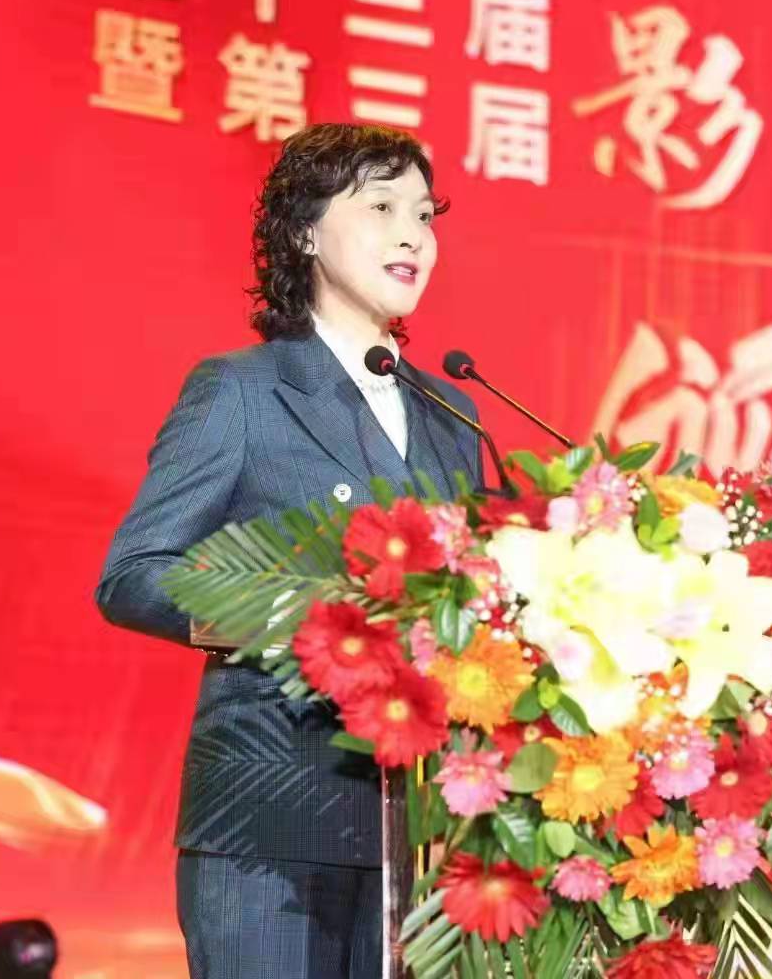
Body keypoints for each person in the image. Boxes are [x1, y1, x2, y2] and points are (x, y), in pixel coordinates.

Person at [94, 123, 484, 978]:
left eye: (424, 215)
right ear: (305, 232)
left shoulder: (454, 415)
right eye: (381, 208)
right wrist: (301, 617)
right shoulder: (242, 391)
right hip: (267, 824)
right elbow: (132, 576)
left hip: (417, 838)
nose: (412, 235)